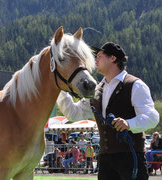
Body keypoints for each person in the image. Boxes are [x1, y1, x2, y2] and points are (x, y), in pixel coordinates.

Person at [57, 42, 159, 180]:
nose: (95, 60)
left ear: (113, 58)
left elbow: (152, 117)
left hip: (131, 157)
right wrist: (60, 88)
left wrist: (129, 124)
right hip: (105, 161)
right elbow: (74, 113)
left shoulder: (135, 85)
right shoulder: (97, 90)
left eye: (99, 56)